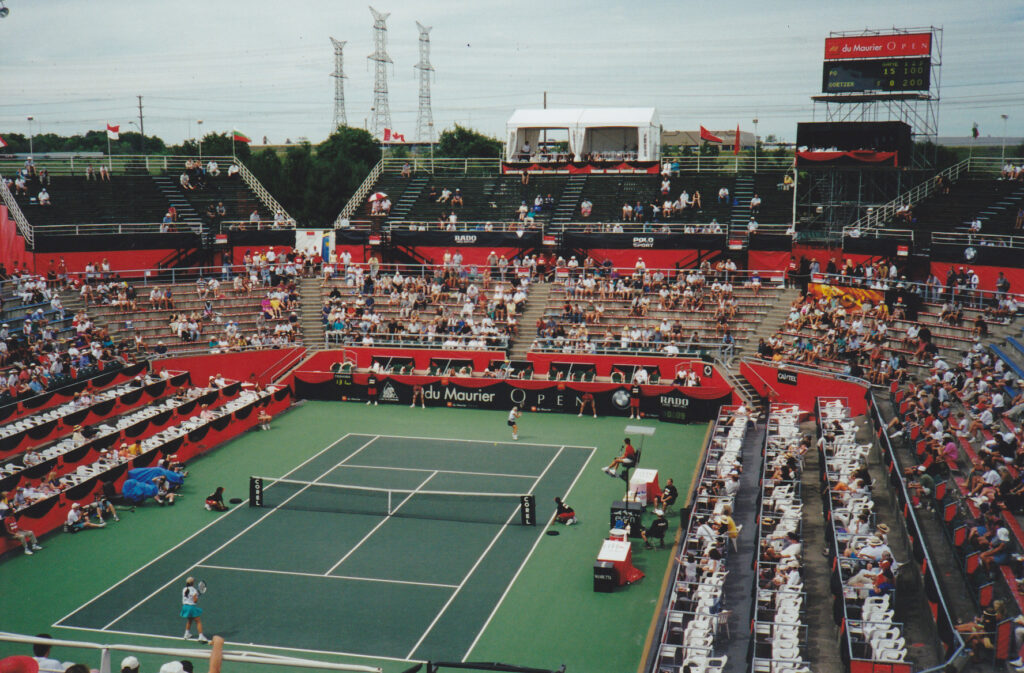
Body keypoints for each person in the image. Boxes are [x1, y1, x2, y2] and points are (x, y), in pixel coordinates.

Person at [181, 577, 209, 642]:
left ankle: (186, 634)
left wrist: (196, 595)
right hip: (191, 607)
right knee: (198, 621)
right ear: (192, 583)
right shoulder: (193, 590)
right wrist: (196, 596)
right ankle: (201, 636)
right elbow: (195, 601)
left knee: (190, 620)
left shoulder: (184, 589)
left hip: (185, 607)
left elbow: (189, 597)